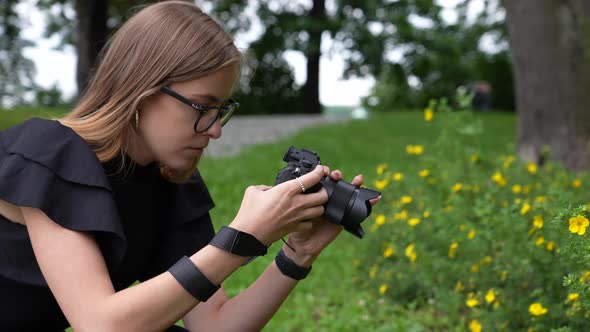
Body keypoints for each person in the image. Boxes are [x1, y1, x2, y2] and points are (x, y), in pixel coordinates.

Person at [0, 1, 380, 331]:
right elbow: (101, 324)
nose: (214, 130)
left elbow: (215, 325)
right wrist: (240, 238)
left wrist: (297, 255)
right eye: (202, 107)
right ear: (142, 90)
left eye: (221, 111)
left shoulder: (169, 181)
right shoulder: (50, 154)